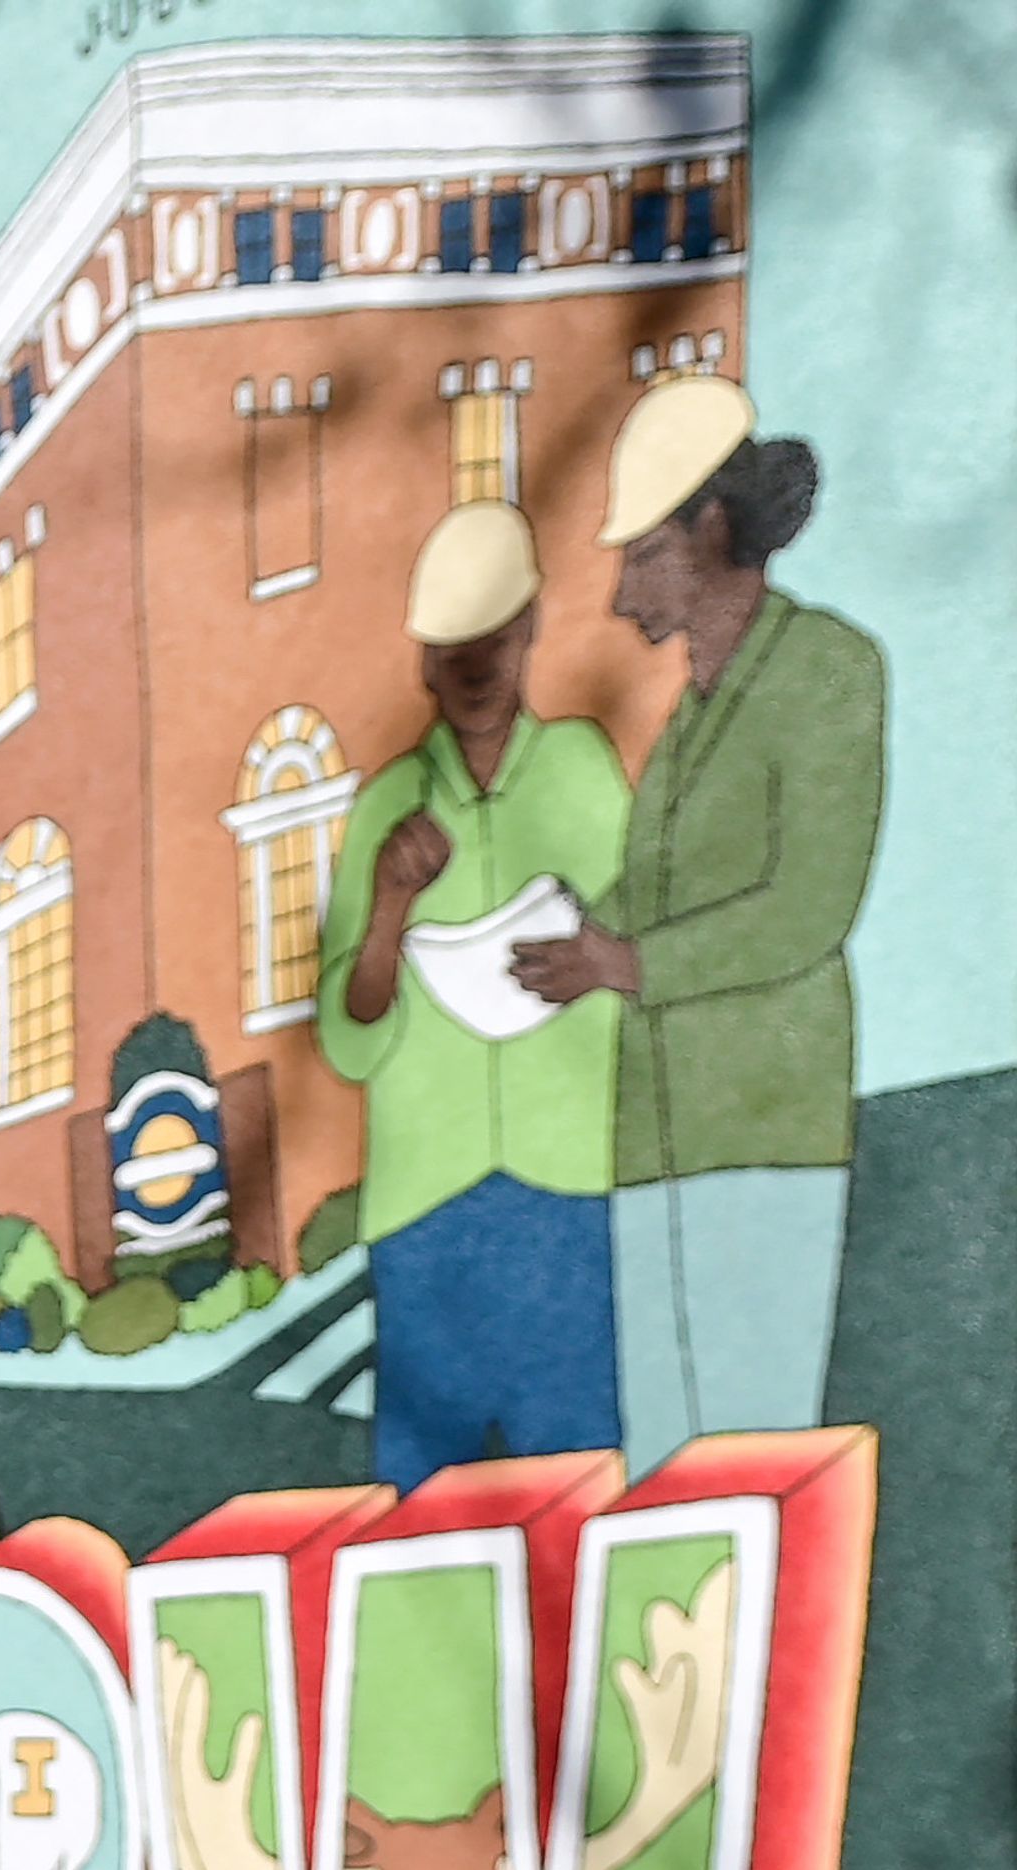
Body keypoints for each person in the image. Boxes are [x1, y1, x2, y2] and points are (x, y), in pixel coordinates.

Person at [512, 373, 885, 1465]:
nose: (628, 593)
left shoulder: (827, 668)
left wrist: (619, 958)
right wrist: (558, 934)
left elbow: (808, 906)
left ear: (715, 529)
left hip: (762, 1128)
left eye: (648, 554)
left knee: (755, 1445)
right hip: (652, 1137)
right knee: (663, 1453)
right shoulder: (689, 715)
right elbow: (660, 894)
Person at [313, 500, 633, 1489]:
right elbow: (348, 1038)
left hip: (566, 1183)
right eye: (453, 645)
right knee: (424, 1495)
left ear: (532, 624)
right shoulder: (387, 807)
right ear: (424, 662)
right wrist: (388, 910)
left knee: (577, 1469)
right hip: (427, 1200)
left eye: (495, 634)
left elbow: (641, 950)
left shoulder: (583, 768)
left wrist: (602, 961)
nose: (477, 663)